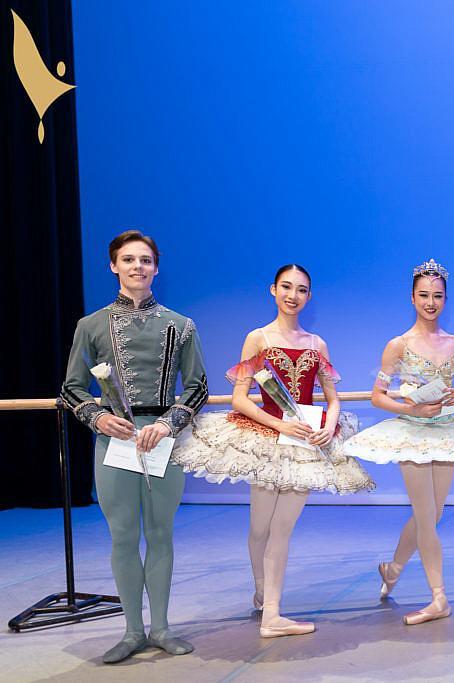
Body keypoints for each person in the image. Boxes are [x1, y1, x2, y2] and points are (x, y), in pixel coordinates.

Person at [173, 264, 374, 637]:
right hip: (267, 438)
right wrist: (280, 424)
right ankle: (263, 592)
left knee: (282, 528)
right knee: (259, 527)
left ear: (308, 297)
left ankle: (273, 616)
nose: (292, 295)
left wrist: (329, 426)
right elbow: (239, 398)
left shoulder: (317, 344)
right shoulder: (258, 338)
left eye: (300, 290)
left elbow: (332, 398)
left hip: (305, 443)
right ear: (273, 290)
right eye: (286, 287)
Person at [60, 230, 208, 663]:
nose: (137, 267)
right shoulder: (90, 325)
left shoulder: (181, 325)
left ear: (156, 267)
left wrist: (168, 424)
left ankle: (160, 628)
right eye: (129, 260)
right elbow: (71, 389)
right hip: (114, 440)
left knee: (161, 535)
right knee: (123, 536)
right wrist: (99, 416)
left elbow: (197, 387)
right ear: (113, 266)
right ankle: (131, 631)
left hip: (163, 439)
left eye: (145, 260)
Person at [342, 259, 454, 624]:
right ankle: (439, 597)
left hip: (448, 432)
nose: (430, 302)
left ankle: (393, 569)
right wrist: (412, 408)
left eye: (437, 296)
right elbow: (378, 396)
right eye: (424, 295)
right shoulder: (399, 345)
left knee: (432, 514)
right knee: (426, 516)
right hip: (413, 432)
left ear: (446, 299)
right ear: (412, 297)